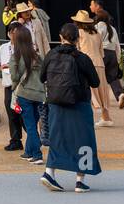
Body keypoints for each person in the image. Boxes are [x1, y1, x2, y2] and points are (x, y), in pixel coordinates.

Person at [40, 23, 103, 192]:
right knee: (84, 140)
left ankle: (49, 173)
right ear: (77, 39)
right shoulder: (82, 58)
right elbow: (95, 82)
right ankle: (80, 181)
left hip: (56, 104)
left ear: (61, 37)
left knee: (57, 138)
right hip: (79, 104)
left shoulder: (51, 55)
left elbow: (41, 77)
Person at [9, 22, 46, 164]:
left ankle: (37, 155)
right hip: (39, 94)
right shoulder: (37, 56)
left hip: (25, 94)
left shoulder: (16, 57)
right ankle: (29, 152)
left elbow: (15, 77)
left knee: (30, 126)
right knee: (33, 124)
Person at [72, 9, 114, 126]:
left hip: (86, 63)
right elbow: (102, 52)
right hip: (99, 63)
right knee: (102, 90)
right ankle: (106, 117)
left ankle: (87, 118)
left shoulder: (79, 33)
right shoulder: (97, 33)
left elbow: (77, 49)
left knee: (87, 90)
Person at [90, 0, 124, 108]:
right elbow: (117, 45)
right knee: (113, 77)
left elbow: (96, 42)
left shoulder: (97, 27)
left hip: (102, 54)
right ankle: (120, 95)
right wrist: (117, 58)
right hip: (112, 54)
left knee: (96, 76)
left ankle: (97, 100)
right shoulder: (112, 28)